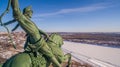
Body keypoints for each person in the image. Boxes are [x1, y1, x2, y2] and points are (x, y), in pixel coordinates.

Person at [11, 0, 61, 67]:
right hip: (38, 42)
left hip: (39, 40)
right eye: (31, 12)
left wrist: (45, 34)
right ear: (28, 12)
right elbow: (16, 11)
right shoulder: (23, 19)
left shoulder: (28, 21)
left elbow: (37, 30)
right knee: (50, 54)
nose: (32, 14)